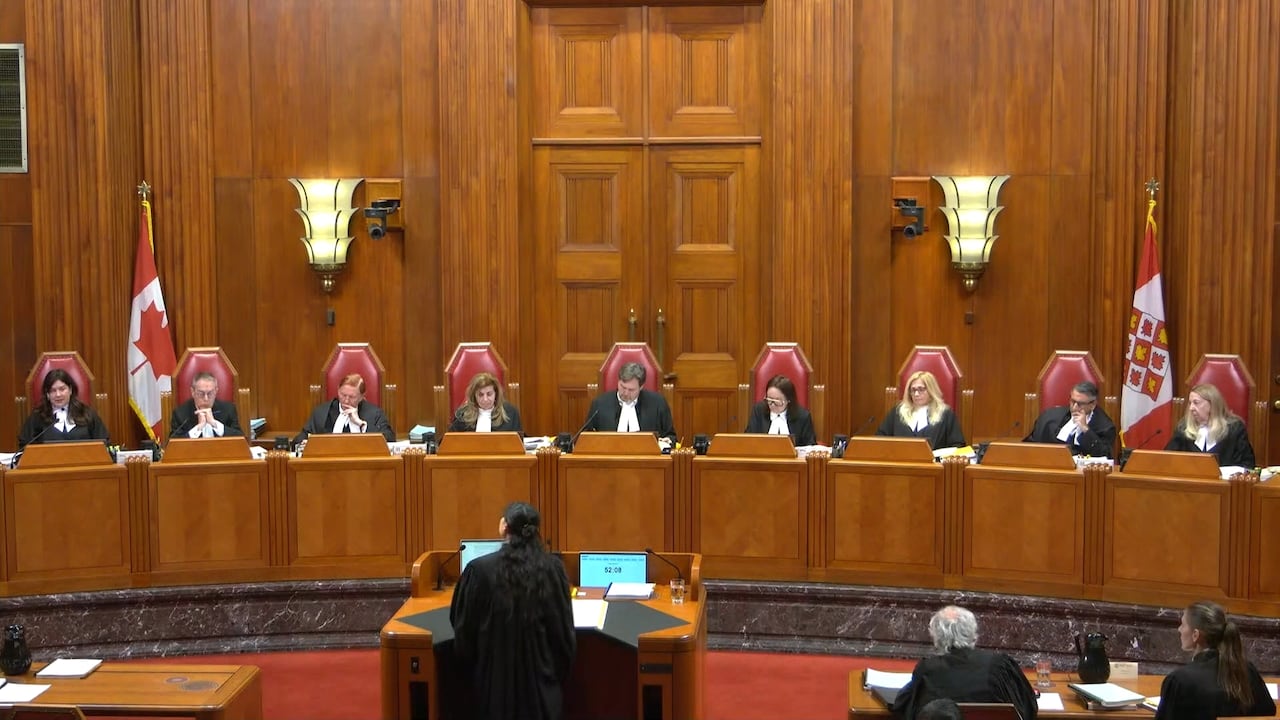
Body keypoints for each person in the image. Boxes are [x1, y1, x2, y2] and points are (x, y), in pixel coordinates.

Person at [450, 502, 576, 720]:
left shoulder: (479, 571)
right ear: (536, 531)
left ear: (503, 527)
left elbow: (463, 635)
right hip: (542, 693)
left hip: (492, 691)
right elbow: (563, 638)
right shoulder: (553, 569)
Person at [893, 606, 1037, 720]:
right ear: (973, 632)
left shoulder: (927, 669)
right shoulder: (999, 666)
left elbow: (905, 709)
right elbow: (1026, 707)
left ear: (936, 637)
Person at [1155, 600, 1275, 720]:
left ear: (1195, 635)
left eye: (1183, 624)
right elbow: (1268, 713)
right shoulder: (1247, 671)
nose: (1179, 629)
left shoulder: (1179, 681)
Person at [1163, 384, 1255, 468]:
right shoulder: (1184, 428)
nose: (1191, 408)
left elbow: (1247, 464)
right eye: (1190, 403)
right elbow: (1167, 460)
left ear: (1212, 404)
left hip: (1225, 484)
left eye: (1196, 402)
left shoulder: (1234, 429)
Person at [582, 362, 676, 443]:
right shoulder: (600, 404)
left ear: (641, 387)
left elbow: (672, 437)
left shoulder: (658, 404)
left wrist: (666, 441)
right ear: (618, 381)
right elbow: (585, 438)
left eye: (631, 390)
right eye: (623, 387)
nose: (626, 393)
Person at [18, 369, 110, 449]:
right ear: (47, 394)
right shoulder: (37, 417)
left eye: (62, 389)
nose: (58, 394)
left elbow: (104, 444)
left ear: (70, 390)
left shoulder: (87, 413)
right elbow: (25, 448)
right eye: (53, 390)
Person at [1023, 381, 1115, 458]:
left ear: (1093, 404)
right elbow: (1031, 445)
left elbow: (1104, 455)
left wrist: (1085, 429)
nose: (1074, 407)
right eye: (1072, 401)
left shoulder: (1105, 427)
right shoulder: (1049, 417)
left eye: (1080, 404)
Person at [295, 373, 394, 444]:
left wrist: (361, 424)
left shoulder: (375, 413)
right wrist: (306, 443)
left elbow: (389, 438)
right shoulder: (322, 412)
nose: (346, 401)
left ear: (362, 396)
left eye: (352, 397)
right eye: (343, 395)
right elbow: (300, 438)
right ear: (338, 390)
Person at [876, 371, 965, 450]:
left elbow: (958, 445)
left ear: (931, 390)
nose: (916, 394)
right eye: (913, 390)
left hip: (934, 466)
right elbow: (880, 439)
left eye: (921, 389)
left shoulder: (945, 414)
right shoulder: (898, 412)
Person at [743, 374, 817, 446]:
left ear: (788, 400)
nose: (772, 405)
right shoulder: (758, 411)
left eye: (777, 402)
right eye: (769, 400)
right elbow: (748, 439)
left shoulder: (803, 416)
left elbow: (810, 446)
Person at [169, 371, 243, 439]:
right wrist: (197, 429)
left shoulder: (228, 410)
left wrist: (215, 424)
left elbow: (241, 439)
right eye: (201, 394)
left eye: (210, 393)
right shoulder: (180, 414)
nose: (206, 398)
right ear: (193, 392)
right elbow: (171, 445)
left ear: (216, 391)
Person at [448, 372, 523, 434]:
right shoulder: (462, 414)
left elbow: (519, 444)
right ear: (474, 395)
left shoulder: (510, 413)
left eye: (489, 394)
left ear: (496, 394)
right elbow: (448, 443)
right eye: (480, 395)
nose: (485, 399)